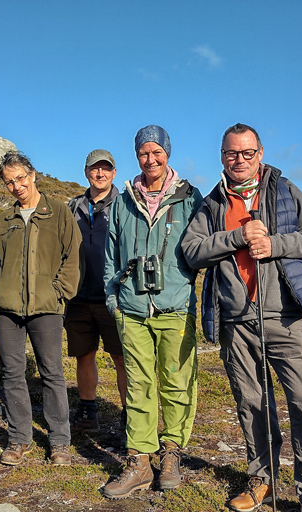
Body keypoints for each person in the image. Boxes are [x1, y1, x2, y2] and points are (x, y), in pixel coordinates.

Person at [182, 123, 302, 512]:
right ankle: (261, 479)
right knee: (252, 403)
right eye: (232, 153)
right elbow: (191, 251)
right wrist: (237, 236)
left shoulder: (283, 189)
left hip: (286, 317)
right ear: (222, 156)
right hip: (237, 321)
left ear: (260, 153)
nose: (240, 160)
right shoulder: (213, 203)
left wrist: (275, 244)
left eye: (247, 152)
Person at [102, 125, 202, 498]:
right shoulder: (123, 200)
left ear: (168, 154)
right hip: (131, 309)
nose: (150, 159)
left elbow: (203, 248)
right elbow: (110, 255)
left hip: (175, 308)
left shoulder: (190, 198)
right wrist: (114, 299)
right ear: (137, 157)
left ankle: (172, 454)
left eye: (157, 152)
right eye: (144, 153)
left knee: (176, 382)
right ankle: (140, 461)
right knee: (139, 386)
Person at [0, 151, 82, 467]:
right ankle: (19, 439)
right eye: (9, 182)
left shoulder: (60, 213)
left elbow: (72, 259)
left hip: (47, 308)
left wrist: (59, 293)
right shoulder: (1, 221)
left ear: (33, 175)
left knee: (52, 373)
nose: (16, 186)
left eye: (20, 178)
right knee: (12, 373)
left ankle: (59, 443)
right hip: (7, 311)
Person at [66, 149, 127, 433]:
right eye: (94, 168)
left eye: (106, 169)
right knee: (84, 355)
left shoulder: (126, 205)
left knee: (122, 357)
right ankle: (88, 413)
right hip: (78, 297)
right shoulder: (72, 206)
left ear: (114, 173)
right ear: (86, 172)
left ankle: (131, 416)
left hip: (115, 297)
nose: (100, 173)